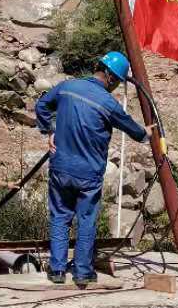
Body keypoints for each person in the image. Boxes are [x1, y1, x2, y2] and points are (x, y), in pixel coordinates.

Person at [34, 51, 148, 288]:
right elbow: (134, 130)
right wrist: (146, 133)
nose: (115, 87)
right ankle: (83, 272)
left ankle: (57, 270)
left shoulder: (67, 87)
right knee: (86, 221)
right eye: (116, 82)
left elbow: (42, 105)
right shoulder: (108, 103)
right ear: (109, 75)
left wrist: (50, 130)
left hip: (61, 168)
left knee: (60, 217)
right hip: (88, 174)